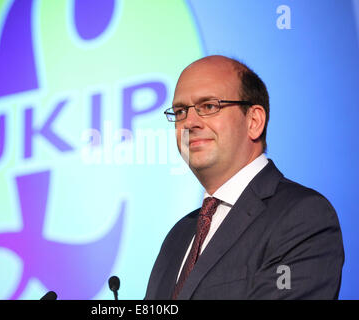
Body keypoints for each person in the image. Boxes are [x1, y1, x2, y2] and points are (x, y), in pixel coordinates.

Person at [145, 55, 344, 299]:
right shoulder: (179, 235)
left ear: (254, 121)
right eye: (181, 111)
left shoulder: (302, 216)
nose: (190, 122)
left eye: (209, 106)